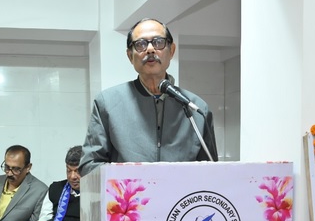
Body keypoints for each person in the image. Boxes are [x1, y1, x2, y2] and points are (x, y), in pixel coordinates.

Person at [79, 18, 218, 176]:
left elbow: (212, 173)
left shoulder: (196, 108)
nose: (150, 49)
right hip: (129, 191)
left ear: (171, 50)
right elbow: (89, 166)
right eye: (141, 44)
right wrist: (132, 180)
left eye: (158, 42)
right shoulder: (107, 103)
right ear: (130, 56)